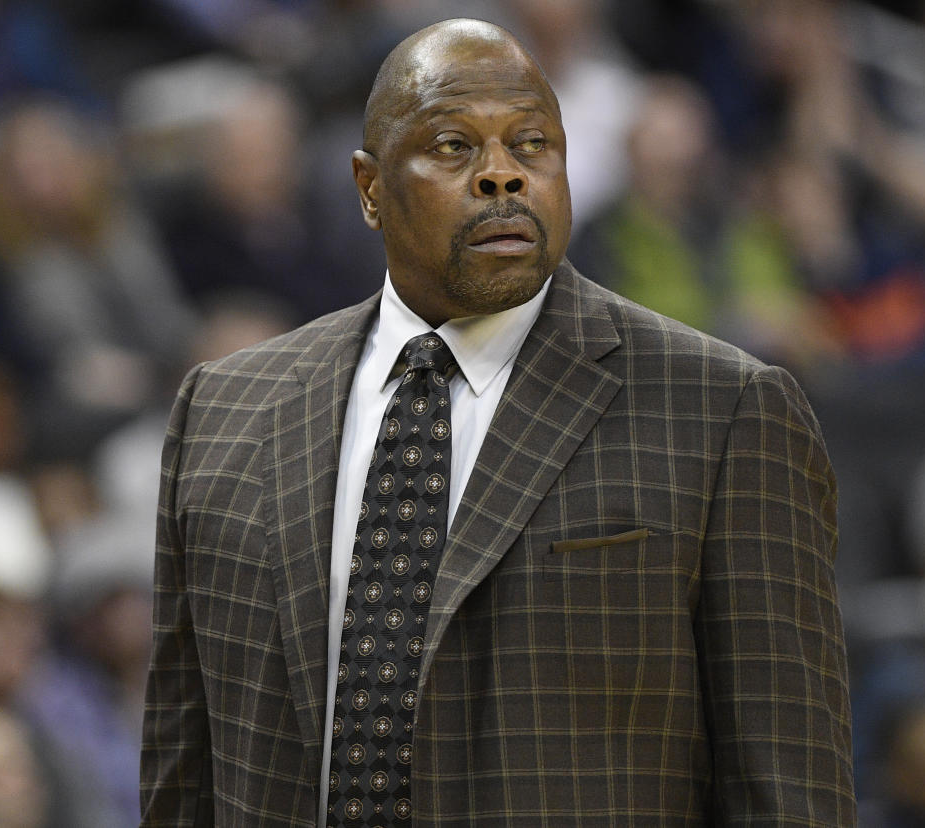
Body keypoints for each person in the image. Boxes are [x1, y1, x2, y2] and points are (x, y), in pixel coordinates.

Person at [141, 18, 854, 826]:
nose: (503, 177)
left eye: (533, 145)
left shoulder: (724, 410)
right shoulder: (221, 411)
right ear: (369, 188)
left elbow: (791, 792)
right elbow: (181, 778)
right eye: (453, 146)